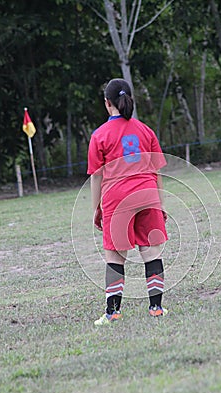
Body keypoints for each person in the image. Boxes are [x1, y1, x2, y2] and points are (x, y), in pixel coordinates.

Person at [87, 78, 168, 326]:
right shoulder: (146, 131)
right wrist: (160, 204)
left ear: (107, 103)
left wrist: (96, 209)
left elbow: (96, 177)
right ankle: (156, 308)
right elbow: (157, 172)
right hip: (147, 194)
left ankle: (112, 313)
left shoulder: (99, 135)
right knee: (151, 251)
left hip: (117, 198)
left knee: (115, 257)